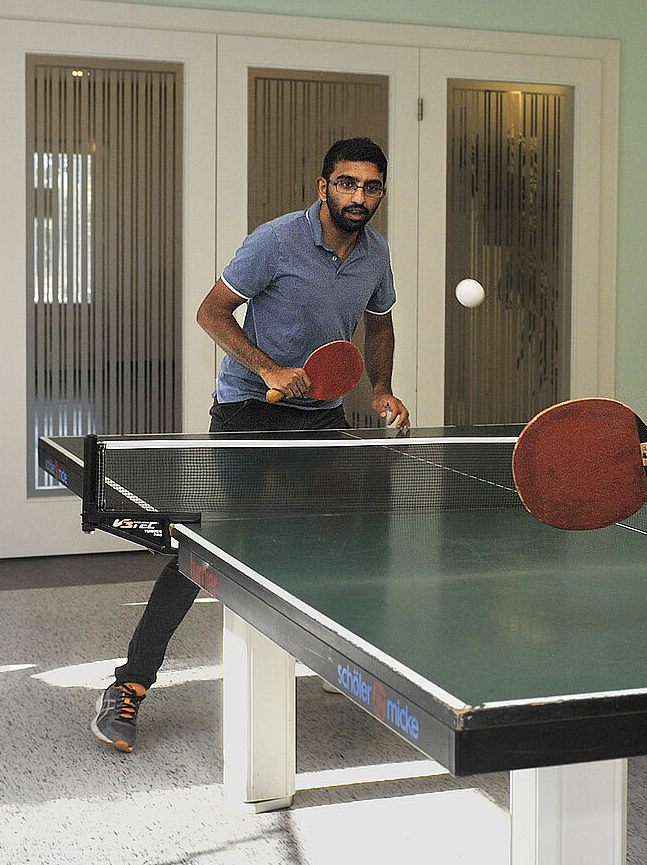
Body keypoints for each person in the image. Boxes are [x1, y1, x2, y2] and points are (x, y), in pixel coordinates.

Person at [93, 136, 410, 753]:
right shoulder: (275, 241)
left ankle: (338, 663)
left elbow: (381, 319)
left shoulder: (375, 254)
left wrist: (382, 389)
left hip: (321, 414)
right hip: (248, 412)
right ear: (324, 187)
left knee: (346, 539)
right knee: (206, 553)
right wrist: (266, 369)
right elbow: (211, 313)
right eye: (346, 183)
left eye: (371, 187)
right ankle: (127, 686)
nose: (358, 197)